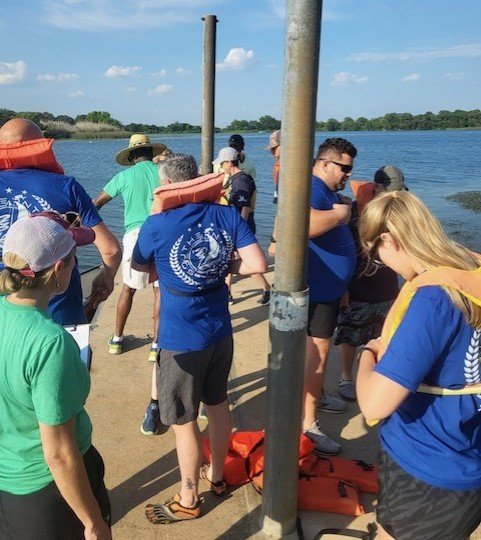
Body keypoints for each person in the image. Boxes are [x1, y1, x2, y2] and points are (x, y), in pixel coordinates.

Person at [132, 154, 267, 523]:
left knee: (184, 422)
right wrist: (224, 265)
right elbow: (257, 264)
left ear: (167, 185)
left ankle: (189, 498)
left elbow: (140, 268)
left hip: (180, 339)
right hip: (220, 331)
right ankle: (218, 478)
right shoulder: (225, 214)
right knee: (219, 404)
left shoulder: (156, 223)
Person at [357, 191, 481, 540]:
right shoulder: (470, 268)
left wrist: (370, 350)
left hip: (427, 463)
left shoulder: (433, 298)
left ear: (389, 239)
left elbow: (374, 403)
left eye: (378, 253)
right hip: (468, 452)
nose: (382, 263)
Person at [0, 213, 111, 539]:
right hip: (50, 495)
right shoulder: (50, 343)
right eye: (74, 258)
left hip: (9, 484)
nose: (76, 265)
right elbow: (60, 454)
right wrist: (93, 523)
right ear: (59, 270)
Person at [0, 118, 121, 325]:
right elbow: (110, 250)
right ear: (39, 146)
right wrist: (106, 278)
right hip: (60, 316)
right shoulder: (67, 186)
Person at [302, 137, 357, 455]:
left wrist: (343, 285)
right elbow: (296, 226)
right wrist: (340, 215)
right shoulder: (311, 188)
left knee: (316, 357)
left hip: (331, 290)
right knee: (317, 357)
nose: (348, 174)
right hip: (318, 292)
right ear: (325, 163)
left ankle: (316, 396)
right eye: (344, 167)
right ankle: (308, 426)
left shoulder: (326, 191)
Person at [334, 165, 407, 401]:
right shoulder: (352, 213)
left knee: (384, 336)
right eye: (390, 191)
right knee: (350, 335)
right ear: (376, 188)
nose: (395, 196)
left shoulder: (399, 213)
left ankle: (375, 375)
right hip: (356, 286)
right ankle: (346, 377)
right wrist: (342, 286)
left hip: (388, 288)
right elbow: (341, 253)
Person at [93, 134, 167, 361]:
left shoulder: (123, 176)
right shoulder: (163, 173)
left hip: (135, 236)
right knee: (159, 291)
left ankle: (116, 339)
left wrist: (92, 230)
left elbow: (97, 203)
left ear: (132, 156)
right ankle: (156, 346)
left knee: (128, 289)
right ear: (151, 153)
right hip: (163, 232)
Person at [213, 146, 270, 305]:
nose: (219, 167)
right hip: (237, 226)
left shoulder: (242, 180)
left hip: (241, 227)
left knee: (242, 259)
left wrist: (238, 230)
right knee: (231, 259)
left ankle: (266, 288)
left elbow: (244, 207)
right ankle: (228, 293)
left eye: (221, 163)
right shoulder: (234, 178)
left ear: (228, 163)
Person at [267, 129, 281, 257]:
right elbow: (281, 209)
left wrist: (274, 241)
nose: (272, 153)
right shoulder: (278, 169)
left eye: (274, 148)